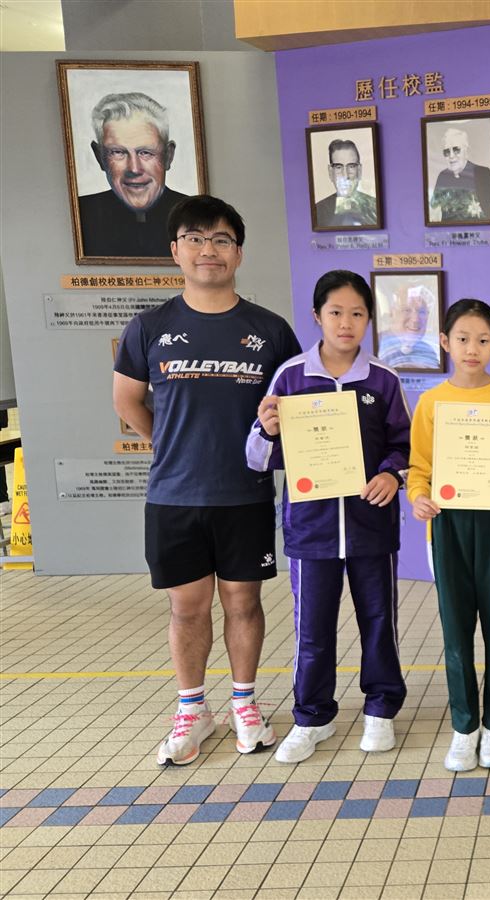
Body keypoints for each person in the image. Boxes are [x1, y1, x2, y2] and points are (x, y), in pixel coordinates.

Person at [113, 195, 302, 766]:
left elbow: (294, 409)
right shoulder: (150, 327)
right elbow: (128, 402)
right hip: (174, 497)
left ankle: (244, 704)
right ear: (176, 251)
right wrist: (171, 445)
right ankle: (192, 710)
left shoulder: (270, 330)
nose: (208, 250)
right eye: (195, 239)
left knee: (243, 602)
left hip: (245, 494)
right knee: (187, 608)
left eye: (221, 240)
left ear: (238, 253)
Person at [246, 270, 411, 763]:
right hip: (311, 529)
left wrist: (392, 476)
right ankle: (312, 717)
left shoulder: (383, 380)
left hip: (371, 526)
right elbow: (256, 457)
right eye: (336, 312)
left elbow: (405, 446)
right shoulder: (290, 377)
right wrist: (267, 430)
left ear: (369, 320)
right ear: (317, 316)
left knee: (378, 621)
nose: (346, 323)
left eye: (357, 313)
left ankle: (380, 709)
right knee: (312, 630)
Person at [406, 299, 490, 771]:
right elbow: (419, 465)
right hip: (448, 522)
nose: (472, 348)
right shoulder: (431, 402)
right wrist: (418, 496)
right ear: (445, 342)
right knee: (456, 629)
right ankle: (465, 726)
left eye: (482, 340)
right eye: (462, 339)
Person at [78, 92, 190, 258]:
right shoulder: (80, 213)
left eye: (145, 152)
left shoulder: (197, 214)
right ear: (99, 156)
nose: (134, 169)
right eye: (118, 152)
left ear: (168, 156)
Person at [429, 127, 490, 222]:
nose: (451, 156)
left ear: (466, 151)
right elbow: (434, 210)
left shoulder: (484, 174)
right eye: (447, 152)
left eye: (456, 150)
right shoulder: (443, 176)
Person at [313, 139, 378, 229]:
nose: (345, 175)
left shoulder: (375, 206)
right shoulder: (317, 211)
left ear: (359, 171)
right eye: (338, 167)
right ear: (330, 172)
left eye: (351, 166)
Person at [376, 284, 442, 371]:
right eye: (406, 310)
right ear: (392, 313)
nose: (415, 319)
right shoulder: (376, 347)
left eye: (421, 311)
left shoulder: (427, 351)